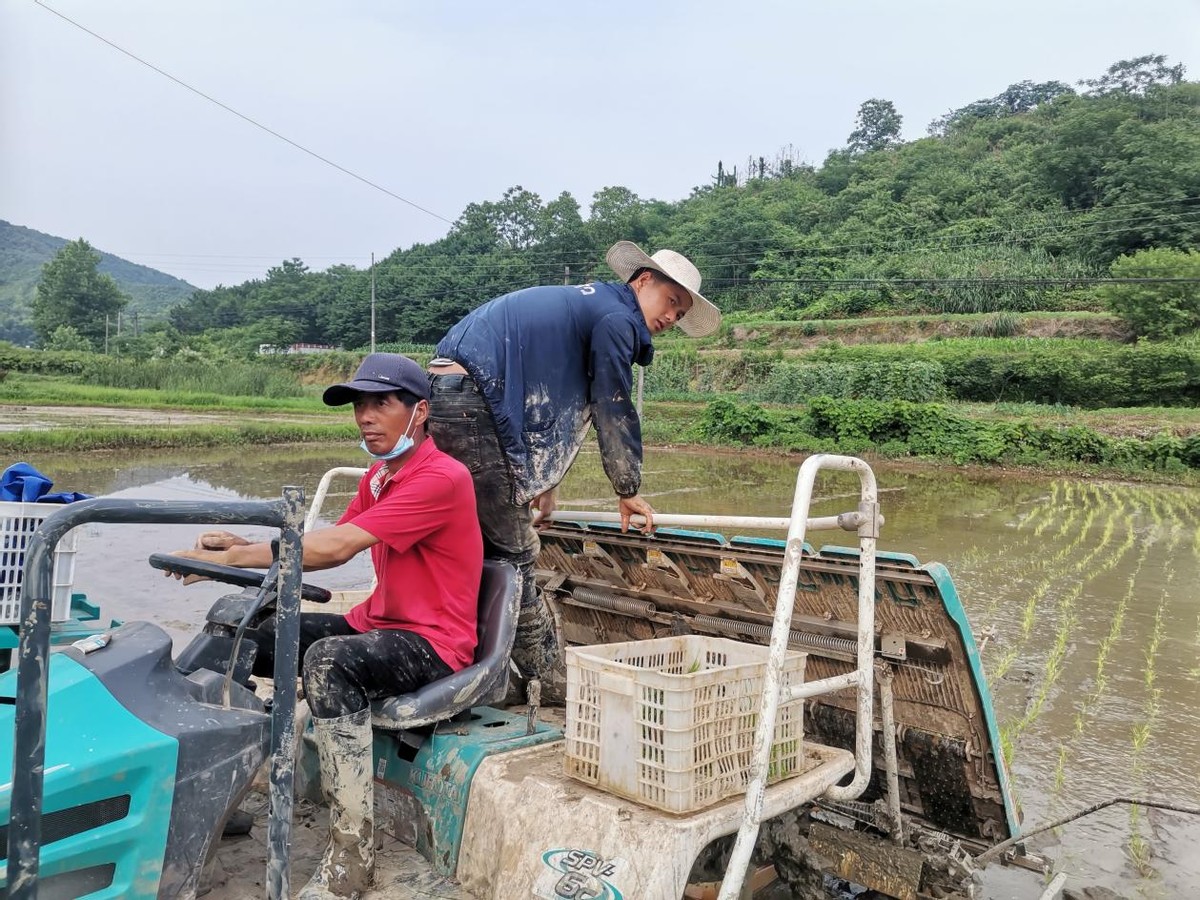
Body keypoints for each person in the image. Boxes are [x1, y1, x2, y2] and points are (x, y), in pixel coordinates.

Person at [168, 353, 482, 900]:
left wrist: (241, 556)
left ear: (420, 411)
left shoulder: (441, 478)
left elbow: (336, 546)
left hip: (433, 641)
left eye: (381, 403)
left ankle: (351, 850)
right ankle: (217, 790)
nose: (365, 416)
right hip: (378, 624)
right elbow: (327, 549)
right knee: (232, 624)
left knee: (329, 658)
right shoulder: (383, 477)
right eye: (359, 404)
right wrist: (236, 550)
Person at [427, 240, 720, 685]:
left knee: (468, 543)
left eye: (680, 314)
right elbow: (612, 404)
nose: (671, 317)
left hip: (451, 395)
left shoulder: (591, 306)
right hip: (475, 401)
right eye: (671, 301)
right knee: (514, 553)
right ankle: (546, 680)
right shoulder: (617, 319)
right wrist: (628, 489)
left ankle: (467, 667)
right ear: (643, 281)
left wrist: (544, 480)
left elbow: (549, 401)